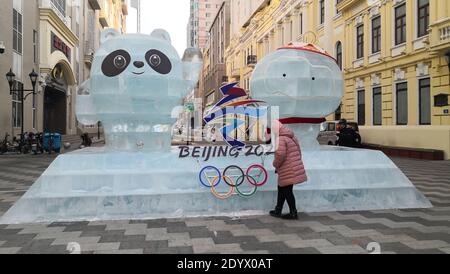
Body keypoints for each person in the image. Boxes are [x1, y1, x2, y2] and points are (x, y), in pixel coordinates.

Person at [269, 121, 308, 220]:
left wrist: (275, 164)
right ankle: (278, 210)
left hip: (287, 168)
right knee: (282, 188)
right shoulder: (291, 137)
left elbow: (280, 155)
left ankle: (293, 212)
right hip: (291, 166)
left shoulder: (280, 139)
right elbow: (299, 151)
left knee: (287, 191)